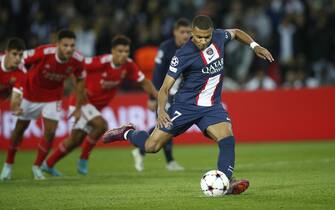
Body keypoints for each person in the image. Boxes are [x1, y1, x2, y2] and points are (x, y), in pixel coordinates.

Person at [103, 15, 274, 194]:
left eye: (206, 37)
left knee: (227, 139)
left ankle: (225, 182)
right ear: (192, 33)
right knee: (151, 147)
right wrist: (161, 111)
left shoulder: (218, 36)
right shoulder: (183, 54)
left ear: (212, 33)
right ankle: (126, 133)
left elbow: (237, 33)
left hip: (212, 106)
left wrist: (255, 46)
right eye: (199, 37)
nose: (203, 41)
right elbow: (164, 88)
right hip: (185, 106)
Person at [42, 35, 157, 176]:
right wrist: (79, 90)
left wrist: (158, 96)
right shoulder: (100, 62)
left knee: (75, 140)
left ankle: (48, 164)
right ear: (112, 51)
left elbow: (144, 82)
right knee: (101, 125)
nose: (123, 55)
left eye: (126, 51)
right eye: (120, 51)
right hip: (82, 103)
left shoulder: (128, 65)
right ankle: (83, 160)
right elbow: (76, 68)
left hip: (94, 108)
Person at [0, 29, 86, 180]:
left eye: (72, 45)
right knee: (19, 130)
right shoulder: (44, 52)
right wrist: (13, 88)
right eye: (65, 45)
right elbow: (20, 61)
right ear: (57, 44)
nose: (69, 49)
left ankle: (37, 167)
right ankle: (8, 165)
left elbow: (80, 79)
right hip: (30, 93)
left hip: (53, 97)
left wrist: (78, 107)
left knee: (51, 132)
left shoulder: (78, 59)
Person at [132, 18, 191, 172]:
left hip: (182, 94)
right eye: (182, 32)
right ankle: (166, 160)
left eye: (188, 32)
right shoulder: (166, 48)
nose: (185, 35)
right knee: (167, 123)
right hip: (166, 93)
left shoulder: (192, 47)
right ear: (175, 33)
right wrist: (153, 97)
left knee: (167, 125)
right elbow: (157, 74)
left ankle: (140, 150)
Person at [0, 38, 26, 102]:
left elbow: (16, 98)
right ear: (6, 53)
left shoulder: (22, 72)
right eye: (14, 54)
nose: (18, 58)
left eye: (20, 55)